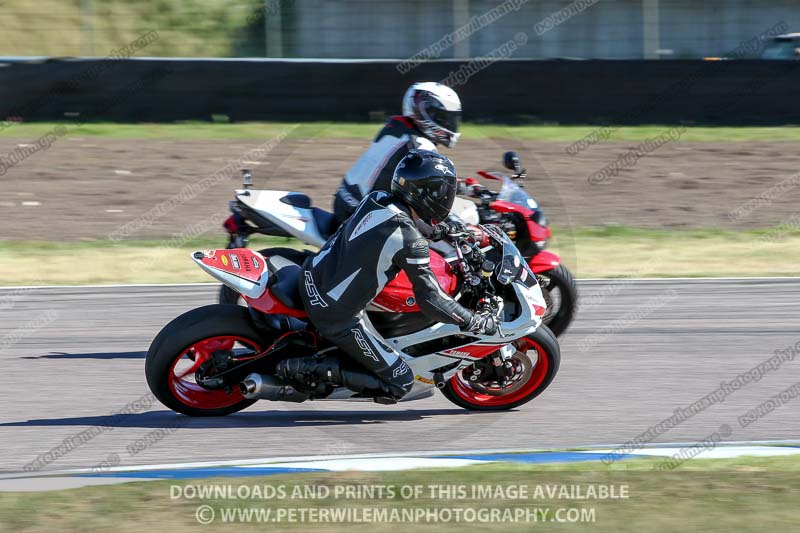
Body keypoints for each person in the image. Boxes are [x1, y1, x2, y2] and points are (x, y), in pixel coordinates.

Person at [278, 150, 497, 402]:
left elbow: (410, 226)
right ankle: (301, 369)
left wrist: (449, 231)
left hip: (312, 276)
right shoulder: (411, 241)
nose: (447, 196)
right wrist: (473, 322)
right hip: (335, 314)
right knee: (402, 381)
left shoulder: (378, 198)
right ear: (428, 193)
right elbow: (431, 300)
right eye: (444, 190)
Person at [332, 82, 462, 224]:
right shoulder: (419, 144)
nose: (449, 124)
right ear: (424, 113)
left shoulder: (395, 126)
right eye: (443, 118)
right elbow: (433, 181)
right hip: (360, 215)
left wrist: (462, 185)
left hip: (344, 201)